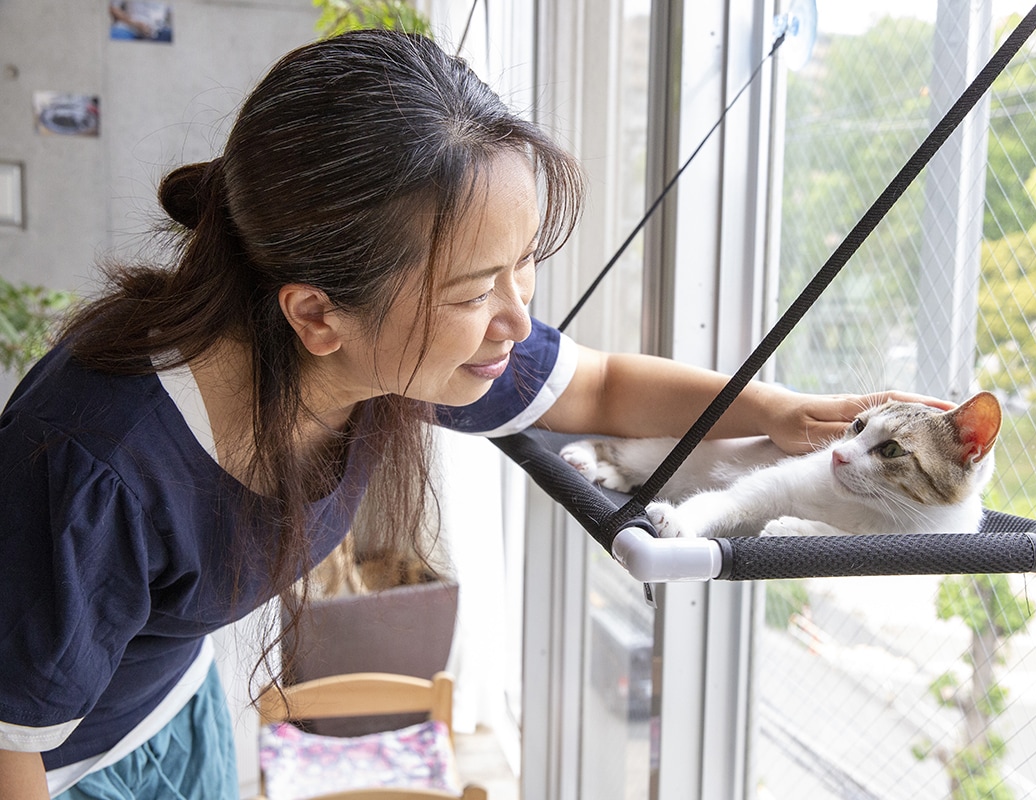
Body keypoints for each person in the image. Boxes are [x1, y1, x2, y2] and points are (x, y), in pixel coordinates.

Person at [0, 29, 947, 799]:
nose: (517, 317)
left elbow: (599, 386)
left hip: (179, 706)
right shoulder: (97, 465)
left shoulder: (406, 343)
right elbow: (11, 747)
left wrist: (778, 412)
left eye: (522, 262)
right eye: (474, 289)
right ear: (316, 313)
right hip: (61, 764)